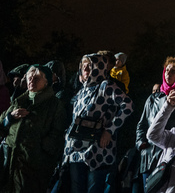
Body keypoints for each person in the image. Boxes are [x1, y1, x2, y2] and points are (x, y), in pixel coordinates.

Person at [62, 53, 134, 193]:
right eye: (84, 67)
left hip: (97, 151)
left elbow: (128, 105)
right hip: (75, 152)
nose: (86, 70)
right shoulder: (81, 92)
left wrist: (109, 130)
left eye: (90, 66)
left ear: (99, 68)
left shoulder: (106, 86)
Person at [0, 65, 70, 193]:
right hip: (10, 163)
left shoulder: (54, 105)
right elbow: (1, 124)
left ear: (46, 82)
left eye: (37, 77)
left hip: (34, 167)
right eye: (29, 77)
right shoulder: (19, 101)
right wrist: (9, 118)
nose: (32, 80)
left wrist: (39, 150)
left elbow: (57, 135)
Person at [135, 57, 175, 190]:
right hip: (148, 155)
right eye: (167, 70)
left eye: (174, 71)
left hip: (168, 155)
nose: (168, 74)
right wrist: (141, 143)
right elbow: (142, 124)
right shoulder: (153, 98)